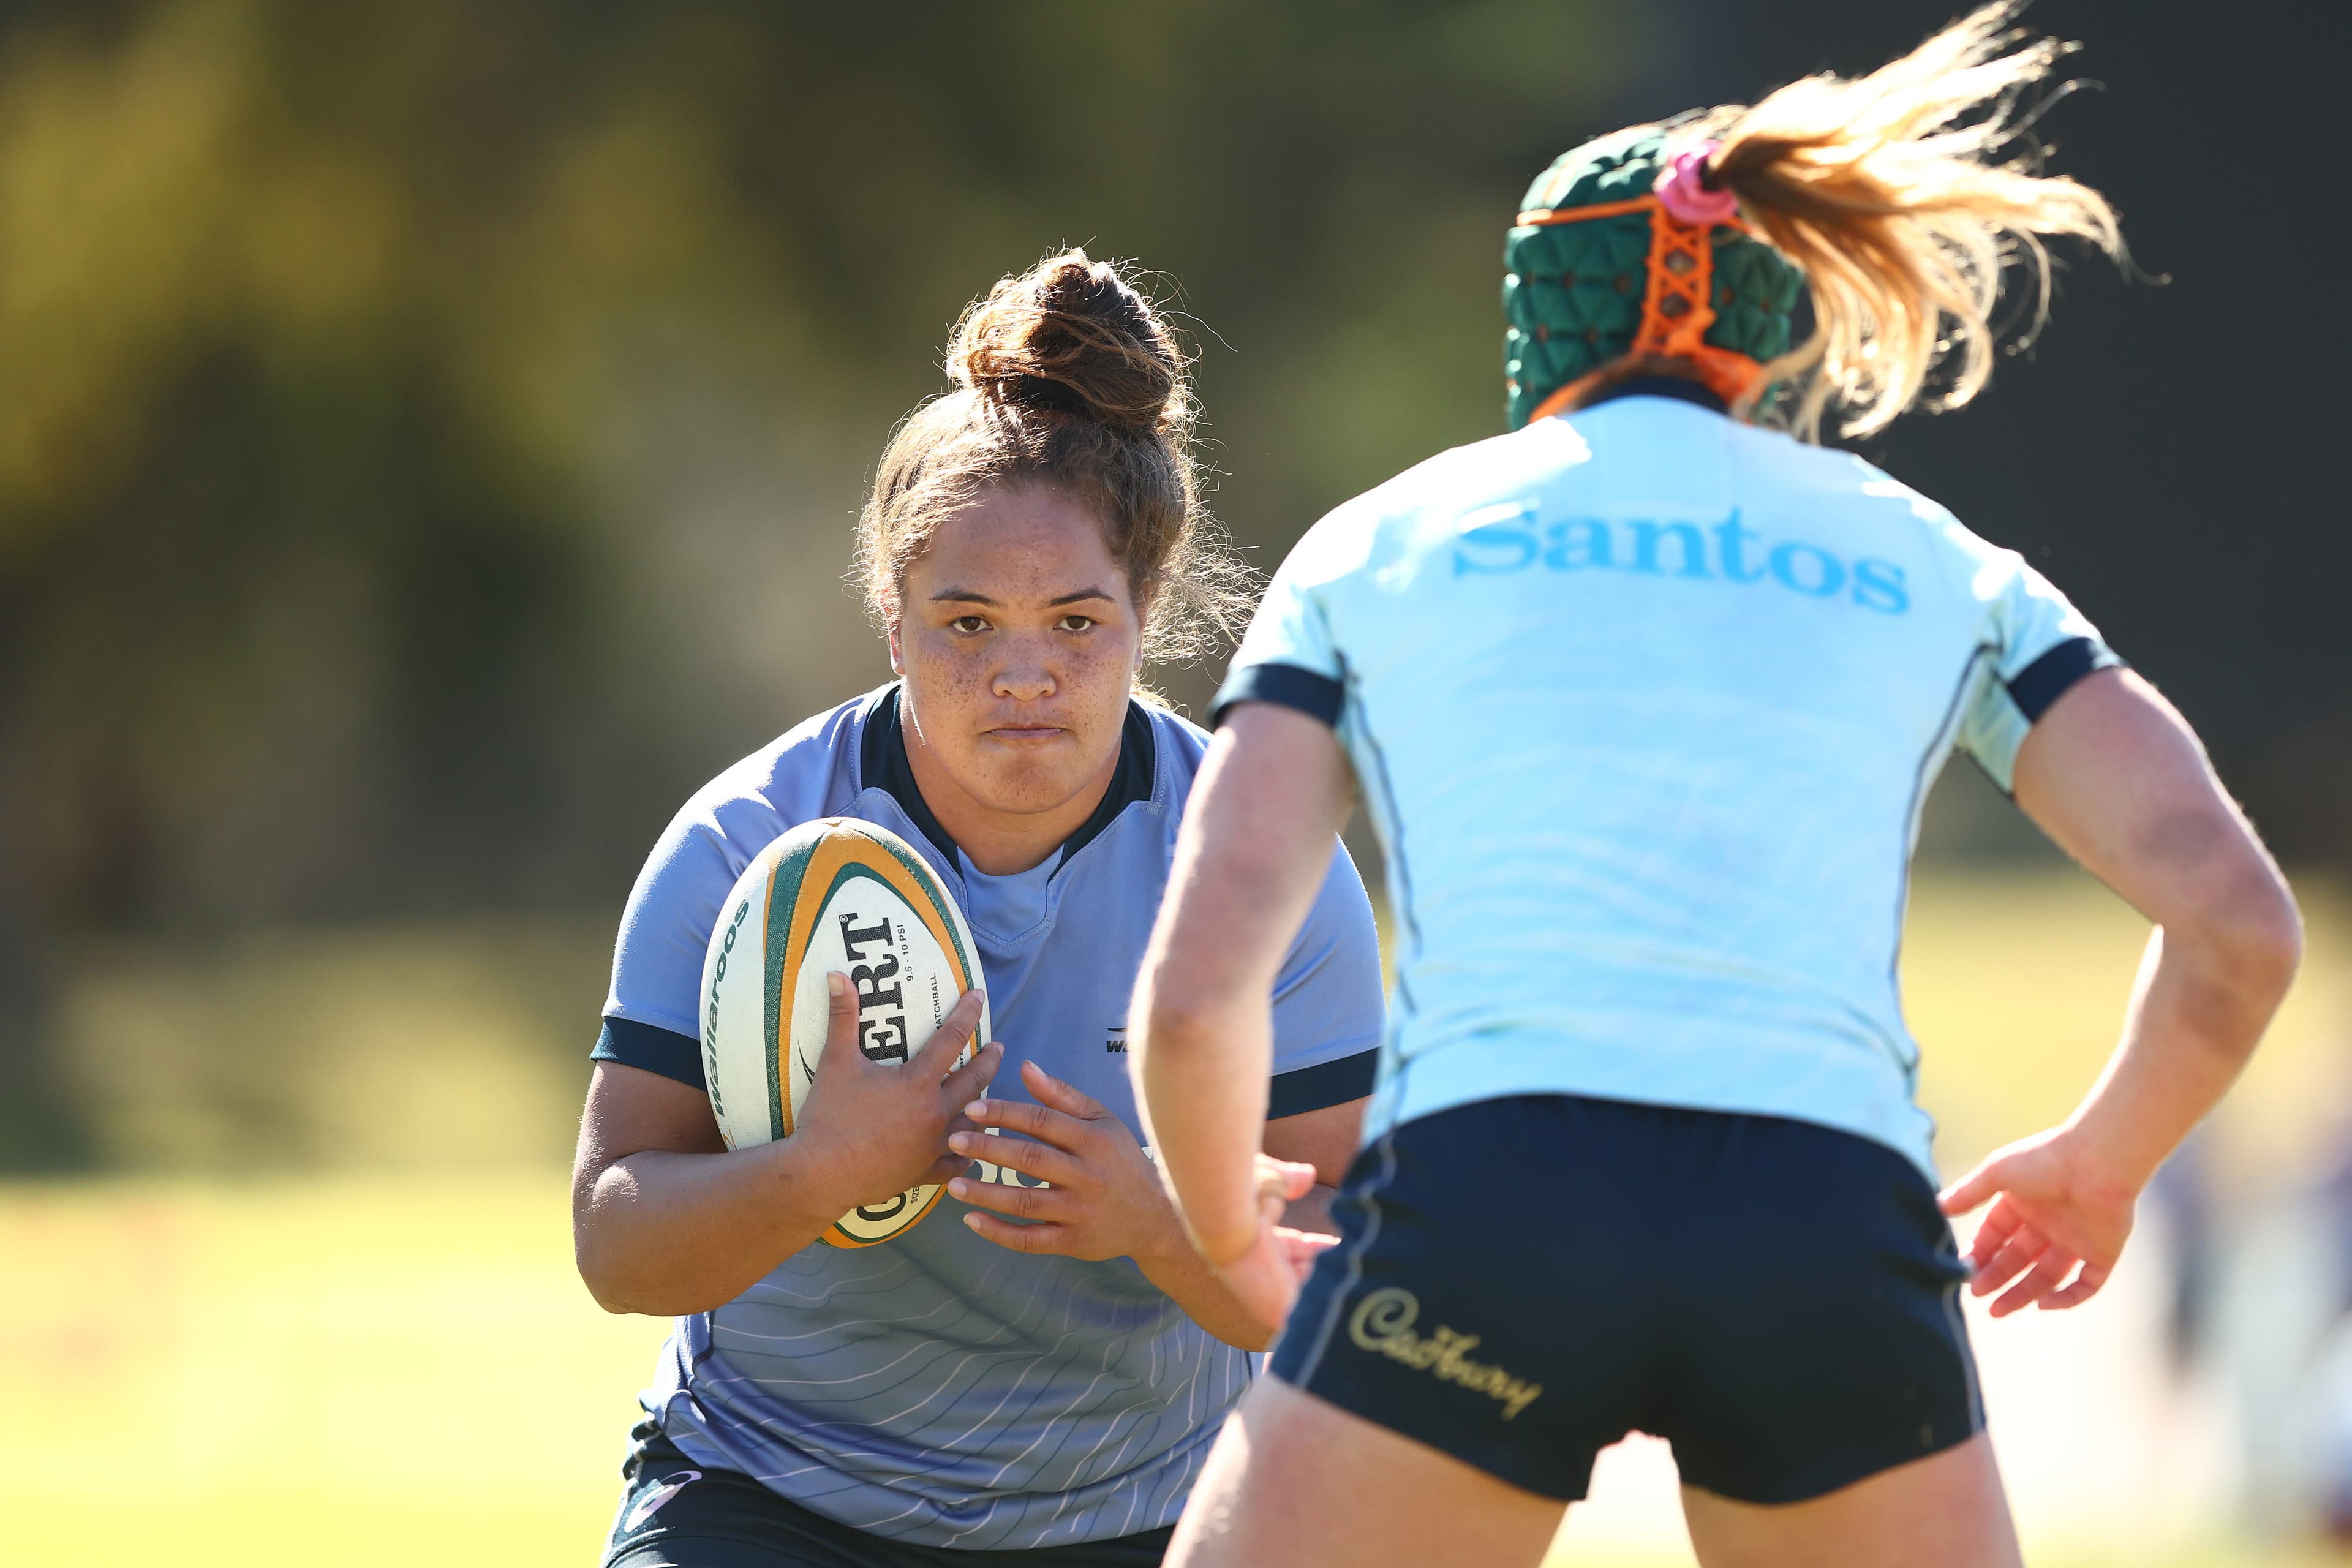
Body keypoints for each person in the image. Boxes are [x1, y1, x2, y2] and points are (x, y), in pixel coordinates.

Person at [1126, 8, 2304, 1567]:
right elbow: (2237, 923)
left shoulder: (1380, 540)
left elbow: (1204, 991)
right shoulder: (1935, 556)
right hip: (1823, 1236)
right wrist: (2105, 1164)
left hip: (1496, 1211)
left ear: (1536, 314)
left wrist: (1223, 1230)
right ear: (1772, 320)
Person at [571, 251, 1385, 1567]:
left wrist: (1162, 1220)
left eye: (1074, 621)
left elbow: (1368, 1282)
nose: (1024, 674)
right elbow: (615, 1242)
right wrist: (820, 1170)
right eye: (965, 622)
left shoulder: (1257, 861)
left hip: (1143, 1512)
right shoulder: (747, 842)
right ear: (891, 620)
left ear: (1147, 613)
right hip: (773, 1493)